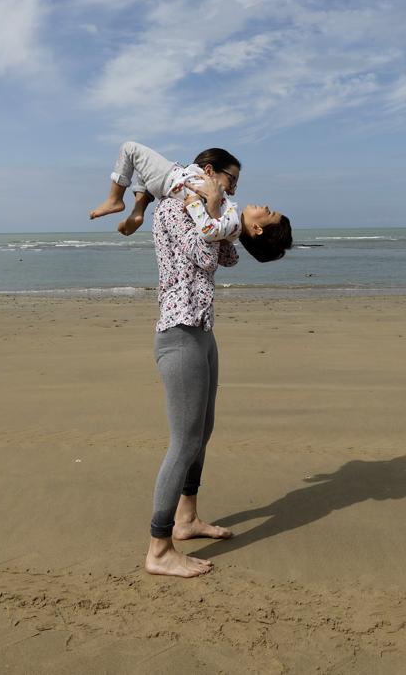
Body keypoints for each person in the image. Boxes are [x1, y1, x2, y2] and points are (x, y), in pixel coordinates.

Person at [144, 190, 289, 577]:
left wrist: (222, 219)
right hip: (178, 333)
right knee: (184, 442)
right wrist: (210, 209)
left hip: (201, 331)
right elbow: (201, 254)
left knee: (202, 432)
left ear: (256, 228)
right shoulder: (178, 207)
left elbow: (222, 255)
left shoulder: (217, 220)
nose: (256, 199)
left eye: (268, 212)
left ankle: (186, 519)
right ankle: (159, 549)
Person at [90, 140, 293, 262]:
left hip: (170, 179)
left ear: (257, 229)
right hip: (169, 184)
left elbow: (210, 230)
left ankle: (115, 199)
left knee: (130, 149)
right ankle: (138, 211)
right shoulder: (230, 229)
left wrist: (196, 202)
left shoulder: (231, 222)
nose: (266, 206)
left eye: (269, 213)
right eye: (232, 180)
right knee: (142, 172)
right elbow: (215, 233)